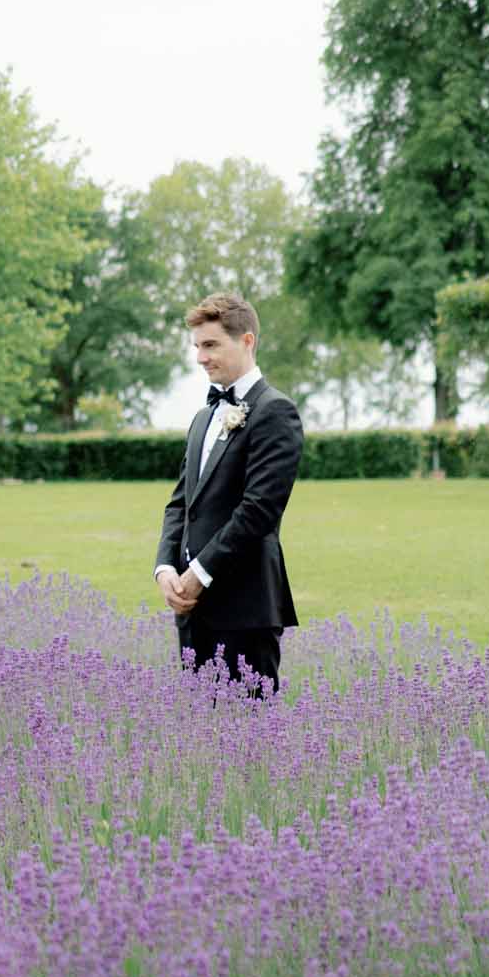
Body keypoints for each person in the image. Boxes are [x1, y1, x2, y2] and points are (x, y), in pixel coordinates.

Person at [154, 292, 304, 694]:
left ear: (247, 341)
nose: (201, 357)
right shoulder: (203, 418)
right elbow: (181, 503)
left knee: (252, 744)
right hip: (192, 612)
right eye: (197, 347)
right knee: (204, 745)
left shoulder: (276, 412)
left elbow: (259, 510)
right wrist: (166, 568)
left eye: (211, 345)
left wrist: (199, 574)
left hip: (245, 609)